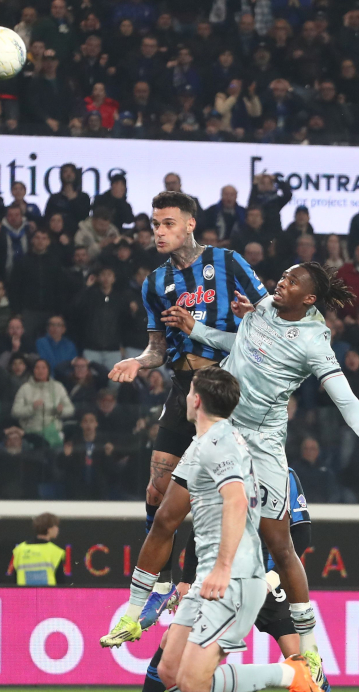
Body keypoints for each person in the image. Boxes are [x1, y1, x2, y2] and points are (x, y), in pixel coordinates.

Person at [108, 366, 327, 692]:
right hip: (208, 578)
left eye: (189, 391)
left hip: (234, 578)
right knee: (171, 670)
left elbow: (236, 499)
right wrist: (140, 601)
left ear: (196, 400)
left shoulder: (222, 441)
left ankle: (292, 674)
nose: (185, 397)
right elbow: (166, 520)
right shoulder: (200, 445)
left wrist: (224, 567)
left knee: (195, 681)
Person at [106, 466, 340, 692]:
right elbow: (199, 532)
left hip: (268, 578)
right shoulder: (226, 467)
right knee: (170, 645)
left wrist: (272, 577)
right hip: (225, 578)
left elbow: (301, 535)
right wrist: (187, 581)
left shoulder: (283, 473)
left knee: (300, 657)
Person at [108, 191, 268, 602]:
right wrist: (138, 363)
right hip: (183, 391)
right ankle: (158, 584)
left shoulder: (228, 262)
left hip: (228, 388)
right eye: (155, 224)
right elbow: (157, 348)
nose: (159, 232)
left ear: (190, 224)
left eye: (168, 224)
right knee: (156, 492)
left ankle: (216, 579)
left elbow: (269, 318)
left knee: (221, 494)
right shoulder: (155, 282)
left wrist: (252, 314)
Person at [12, 512, 66, 586]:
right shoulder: (55, 551)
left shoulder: (20, 549)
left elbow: (14, 579)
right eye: (56, 526)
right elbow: (61, 582)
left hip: (24, 595)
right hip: (48, 595)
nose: (57, 529)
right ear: (49, 529)